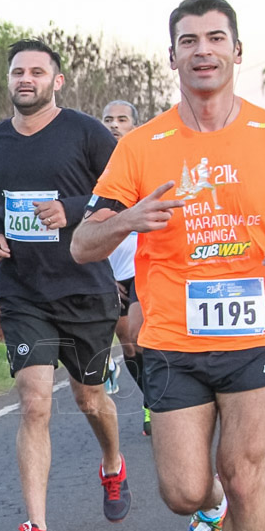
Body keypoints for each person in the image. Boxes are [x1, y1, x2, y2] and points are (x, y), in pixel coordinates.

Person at [71, 0, 265, 531]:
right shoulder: (141, 146)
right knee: (185, 491)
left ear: (237, 52)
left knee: (246, 476)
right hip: (171, 339)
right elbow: (82, 243)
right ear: (172, 57)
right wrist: (128, 220)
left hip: (258, 330)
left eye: (216, 38)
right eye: (188, 40)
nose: (203, 50)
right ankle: (206, 513)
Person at [0, 39, 128, 531]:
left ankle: (112, 461)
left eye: (37, 72)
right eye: (18, 71)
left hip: (84, 288)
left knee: (90, 400)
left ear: (56, 81)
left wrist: (71, 208)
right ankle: (37, 529)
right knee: (35, 399)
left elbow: (123, 191)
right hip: (22, 290)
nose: (26, 79)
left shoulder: (88, 133)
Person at [101, 100, 151, 435]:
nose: (114, 125)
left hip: (144, 266)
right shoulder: (94, 169)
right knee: (128, 342)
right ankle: (151, 397)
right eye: (107, 119)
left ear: (135, 126)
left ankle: (159, 404)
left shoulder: (146, 162)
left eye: (122, 119)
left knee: (141, 334)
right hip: (110, 269)